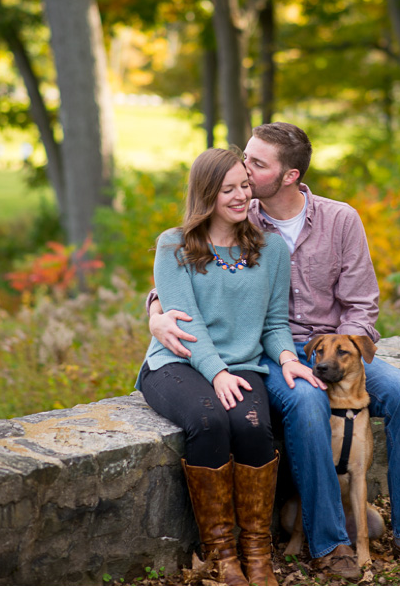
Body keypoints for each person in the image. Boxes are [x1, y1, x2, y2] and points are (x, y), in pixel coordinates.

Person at [148, 122, 400, 580]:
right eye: (245, 160)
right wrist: (154, 310)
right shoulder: (237, 212)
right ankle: (329, 543)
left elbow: (362, 303)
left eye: (256, 164)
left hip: (336, 346)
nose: (245, 172)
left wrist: (339, 356)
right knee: (309, 403)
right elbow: (183, 268)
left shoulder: (340, 219)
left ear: (288, 175)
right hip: (271, 348)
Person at [136, 146, 323, 586]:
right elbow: (186, 322)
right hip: (176, 363)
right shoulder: (174, 244)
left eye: (244, 185)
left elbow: (275, 323)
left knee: (255, 427)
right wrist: (217, 372)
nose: (240, 196)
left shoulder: (270, 249)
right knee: (209, 421)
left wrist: (288, 359)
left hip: (241, 365)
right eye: (228, 189)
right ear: (206, 193)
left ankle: (256, 552)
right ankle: (222, 555)